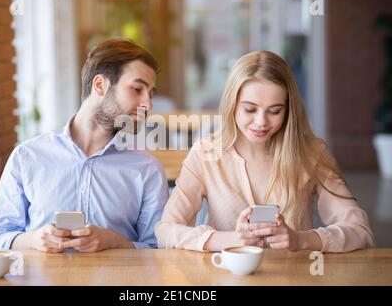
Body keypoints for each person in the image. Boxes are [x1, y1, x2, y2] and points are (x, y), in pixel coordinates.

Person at [155, 50, 375, 253]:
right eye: (250, 109)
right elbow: (165, 232)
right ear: (232, 104)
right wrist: (233, 239)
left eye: (275, 111)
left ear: (288, 110)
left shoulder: (311, 152)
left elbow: (360, 231)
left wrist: (301, 240)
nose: (261, 122)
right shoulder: (206, 154)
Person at [0, 39, 169, 252]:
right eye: (137, 89)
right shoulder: (27, 157)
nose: (148, 104)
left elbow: (159, 250)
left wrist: (115, 243)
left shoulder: (147, 168)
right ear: (100, 85)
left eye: (151, 93)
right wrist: (33, 240)